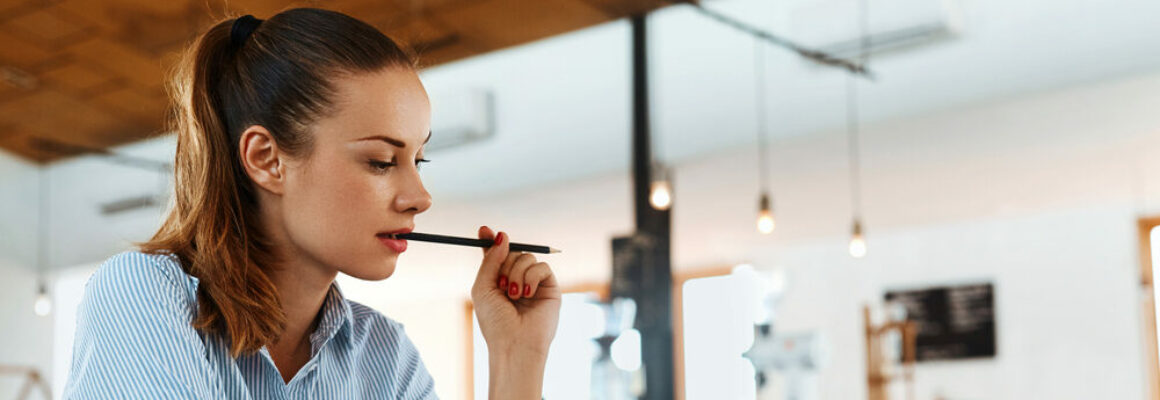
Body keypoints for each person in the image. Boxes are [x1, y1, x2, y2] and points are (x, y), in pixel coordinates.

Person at [63, 8, 560, 399]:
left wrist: (517, 360)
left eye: (419, 161)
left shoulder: (385, 358)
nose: (420, 198)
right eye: (382, 161)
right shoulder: (144, 294)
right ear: (268, 160)